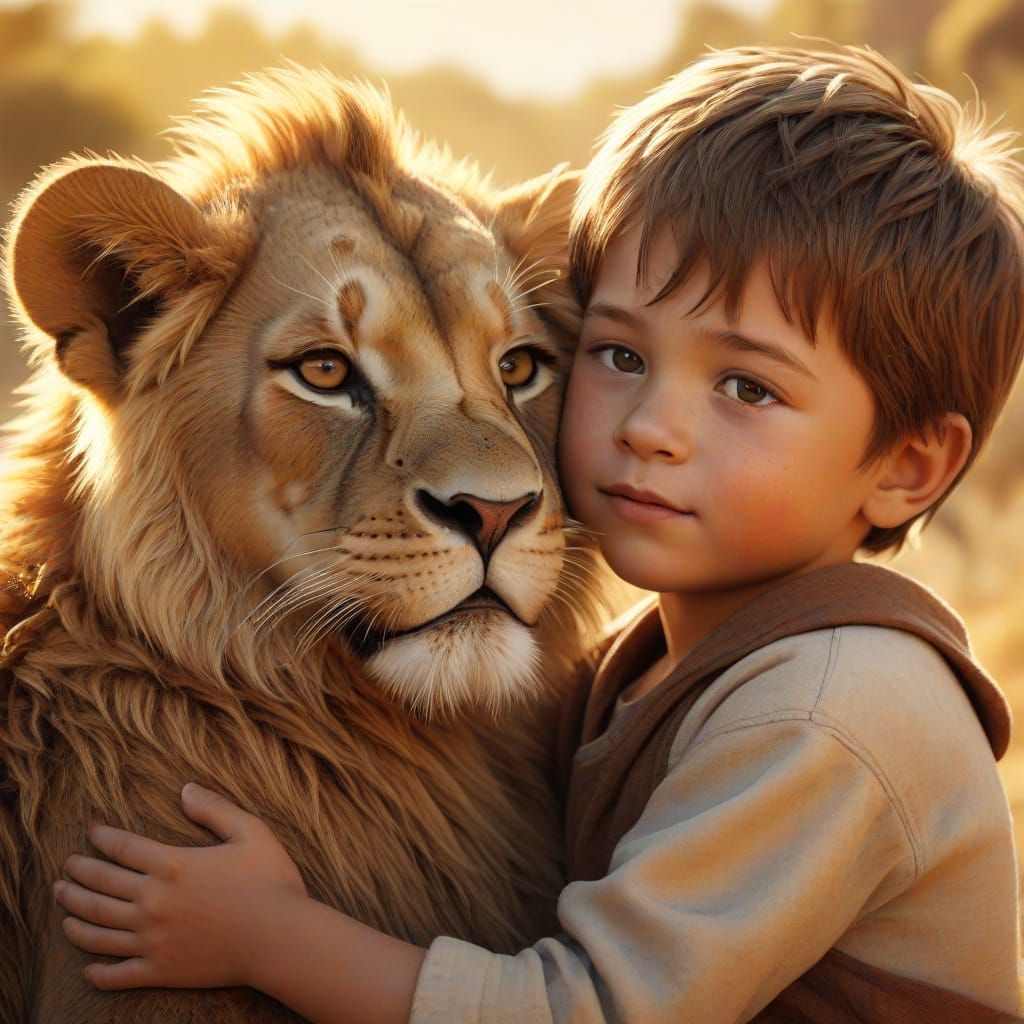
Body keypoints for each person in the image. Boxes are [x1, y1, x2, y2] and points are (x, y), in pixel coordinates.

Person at [52, 44, 1024, 1023]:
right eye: (614, 354)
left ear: (905, 467)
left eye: (745, 386)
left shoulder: (829, 708)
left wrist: (273, 934)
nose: (650, 428)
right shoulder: (628, 677)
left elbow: (589, 1011)